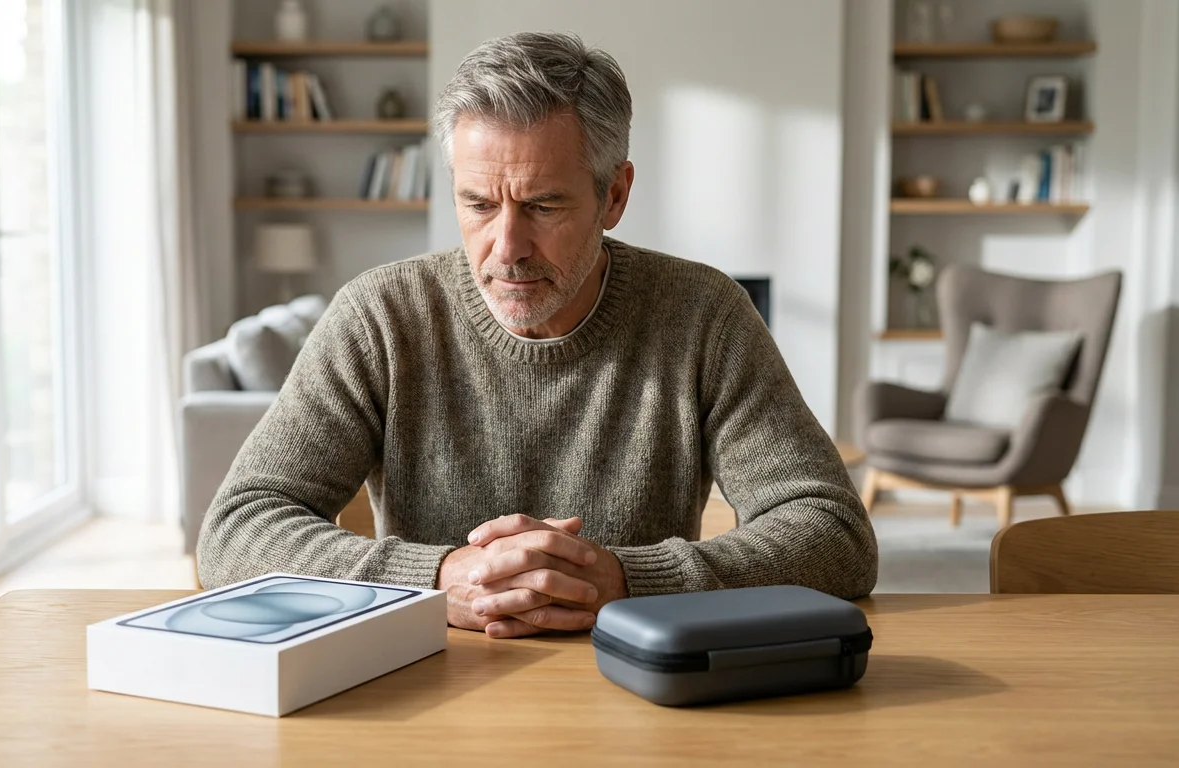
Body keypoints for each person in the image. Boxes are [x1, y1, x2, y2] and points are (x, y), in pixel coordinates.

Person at [198, 31, 877, 638]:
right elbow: (236, 530)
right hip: (424, 688)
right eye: (478, 204)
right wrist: (436, 577)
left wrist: (627, 579)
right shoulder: (380, 315)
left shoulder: (702, 313)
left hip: (643, 694)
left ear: (614, 195)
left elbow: (834, 533)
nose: (507, 246)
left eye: (543, 205)